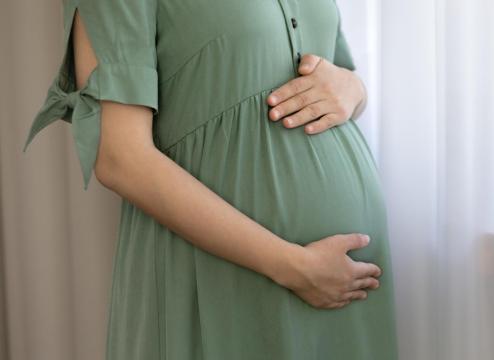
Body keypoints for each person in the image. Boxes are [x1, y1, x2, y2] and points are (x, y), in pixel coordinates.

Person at [22, 0, 399, 358]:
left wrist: (355, 89)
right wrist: (294, 267)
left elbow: (339, 75)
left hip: (346, 289)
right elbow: (120, 158)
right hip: (233, 276)